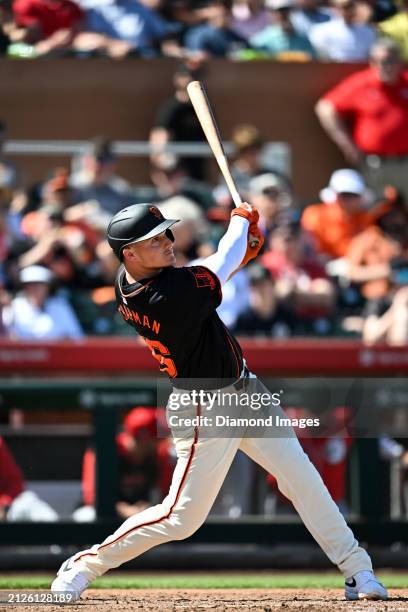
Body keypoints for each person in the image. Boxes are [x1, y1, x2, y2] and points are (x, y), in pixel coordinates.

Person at [51, 202, 387, 602]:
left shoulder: (135, 277)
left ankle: (357, 570)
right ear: (130, 253)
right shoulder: (160, 295)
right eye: (154, 240)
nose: (168, 243)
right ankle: (83, 564)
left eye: (166, 234)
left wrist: (242, 248)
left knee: (304, 481)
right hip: (204, 406)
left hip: (247, 390)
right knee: (181, 518)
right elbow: (218, 264)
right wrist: (240, 221)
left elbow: (218, 267)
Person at [315, 38, 408, 199]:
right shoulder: (362, 83)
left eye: (390, 61)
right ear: (371, 62)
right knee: (372, 211)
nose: (386, 66)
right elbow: (325, 107)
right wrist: (346, 143)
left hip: (405, 162)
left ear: (400, 62)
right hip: (373, 164)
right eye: (379, 61)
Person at [75, 407, 175, 522]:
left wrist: (151, 507)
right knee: (87, 516)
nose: (160, 443)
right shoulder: (106, 449)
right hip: (107, 513)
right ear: (144, 438)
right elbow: (91, 497)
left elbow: (167, 493)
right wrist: (125, 510)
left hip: (146, 512)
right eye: (156, 439)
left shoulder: (160, 453)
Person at [301, 169, 380, 260]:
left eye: (352, 195)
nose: (347, 200)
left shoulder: (365, 218)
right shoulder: (314, 215)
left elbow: (373, 240)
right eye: (344, 195)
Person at [2, 265, 83, 339]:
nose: (34, 288)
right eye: (30, 285)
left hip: (57, 353)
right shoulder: (13, 307)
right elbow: (7, 337)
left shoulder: (60, 306)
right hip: (22, 354)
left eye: (39, 284)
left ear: (48, 287)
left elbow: (75, 336)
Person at [309, 0, 376, 62]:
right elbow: (323, 55)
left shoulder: (368, 31)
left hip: (359, 70)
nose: (349, 11)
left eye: (351, 7)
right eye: (345, 7)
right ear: (335, 8)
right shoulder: (320, 30)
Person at [250, 0, 315, 60]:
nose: (284, 14)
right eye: (279, 10)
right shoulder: (260, 41)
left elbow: (313, 60)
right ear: (270, 12)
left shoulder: (303, 39)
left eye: (287, 10)